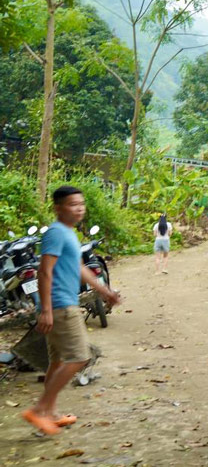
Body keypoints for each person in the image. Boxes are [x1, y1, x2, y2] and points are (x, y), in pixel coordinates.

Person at [21, 185, 121, 436]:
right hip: (61, 306)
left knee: (57, 361)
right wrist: (45, 310)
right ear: (58, 208)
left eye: (81, 204)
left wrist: (104, 291)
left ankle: (50, 414)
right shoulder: (56, 233)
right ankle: (39, 409)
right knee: (80, 357)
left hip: (62, 304)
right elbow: (45, 270)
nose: (79, 208)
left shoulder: (69, 234)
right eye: (72, 204)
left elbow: (79, 268)